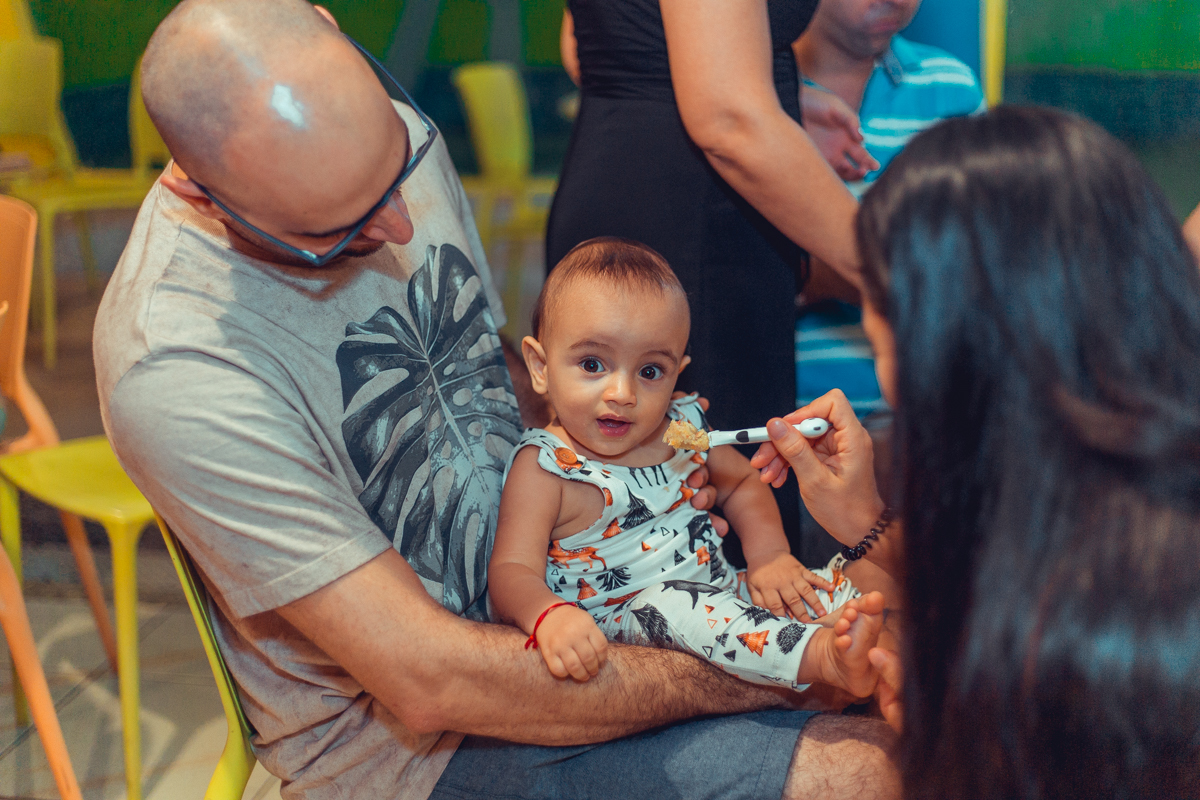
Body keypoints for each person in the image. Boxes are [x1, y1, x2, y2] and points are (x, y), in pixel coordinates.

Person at [94, 2, 901, 798]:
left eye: (396, 169)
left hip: (576, 611)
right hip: (424, 742)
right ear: (205, 195)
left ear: (334, 30)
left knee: (925, 683)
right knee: (898, 767)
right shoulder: (178, 365)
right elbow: (428, 683)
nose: (404, 227)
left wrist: (620, 468)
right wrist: (791, 669)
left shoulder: (381, 133)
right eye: (339, 235)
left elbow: (467, 377)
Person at [754, 105, 1200, 798]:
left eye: (886, 329)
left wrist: (956, 738)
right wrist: (868, 520)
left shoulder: (1085, 641)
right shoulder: (1116, 504)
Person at [546, 0, 867, 559]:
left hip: (623, 166)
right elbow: (727, 118)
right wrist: (901, 272)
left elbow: (594, 42)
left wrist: (772, 93)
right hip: (695, 217)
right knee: (697, 542)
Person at [489, 237, 877, 693]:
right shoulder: (546, 467)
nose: (622, 393)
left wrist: (770, 556)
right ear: (540, 366)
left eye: (650, 371)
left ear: (677, 373)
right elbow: (512, 571)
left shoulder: (681, 425)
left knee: (812, 591)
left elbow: (739, 483)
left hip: (721, 594)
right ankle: (821, 657)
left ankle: (854, 633)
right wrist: (548, 616)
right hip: (621, 628)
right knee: (680, 605)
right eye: (592, 363)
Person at [792, 0, 985, 424]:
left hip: (920, 421)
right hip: (783, 417)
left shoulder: (950, 87)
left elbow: (982, 260)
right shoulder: (754, 100)